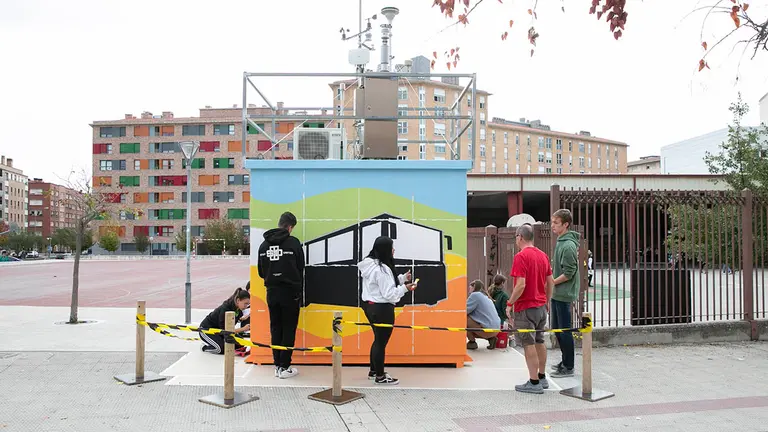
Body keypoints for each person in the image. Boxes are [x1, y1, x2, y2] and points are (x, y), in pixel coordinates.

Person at [358, 236, 417, 385]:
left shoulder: (371, 264)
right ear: (385, 250)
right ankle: (380, 376)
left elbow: (382, 285)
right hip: (382, 309)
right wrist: (405, 288)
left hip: (370, 306)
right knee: (381, 342)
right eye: (391, 248)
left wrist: (402, 278)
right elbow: (389, 293)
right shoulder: (381, 269)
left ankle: (374, 371)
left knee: (377, 340)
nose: (393, 250)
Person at [505, 223, 554, 394]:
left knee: (528, 343)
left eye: (516, 237)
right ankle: (542, 376)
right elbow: (550, 281)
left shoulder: (520, 257)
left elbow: (520, 285)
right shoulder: (543, 255)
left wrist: (510, 303)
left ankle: (533, 382)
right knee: (540, 341)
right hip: (541, 306)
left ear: (520, 237)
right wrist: (547, 300)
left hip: (525, 307)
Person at [257, 211, 305, 379]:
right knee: (289, 329)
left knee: (275, 327)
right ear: (290, 227)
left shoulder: (264, 245)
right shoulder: (293, 243)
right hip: (290, 293)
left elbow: (261, 272)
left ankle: (277, 364)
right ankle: (285, 366)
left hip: (271, 292)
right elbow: (301, 266)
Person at [550, 209, 580, 378]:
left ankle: (569, 366)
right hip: (557, 293)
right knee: (557, 329)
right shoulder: (561, 241)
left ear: (566, 224)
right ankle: (564, 361)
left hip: (564, 293)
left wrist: (552, 282)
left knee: (564, 330)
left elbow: (569, 273)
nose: (552, 225)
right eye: (552, 222)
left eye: (556, 223)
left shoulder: (568, 245)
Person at [199, 288, 251, 355]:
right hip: (207, 330)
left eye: (248, 304)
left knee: (241, 344)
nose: (246, 306)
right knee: (220, 349)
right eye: (245, 303)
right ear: (238, 300)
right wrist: (243, 329)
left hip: (220, 331)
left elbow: (230, 326)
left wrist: (241, 319)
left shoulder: (239, 310)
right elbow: (226, 331)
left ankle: (218, 341)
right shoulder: (226, 308)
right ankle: (204, 347)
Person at [466, 280, 500, 350]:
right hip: (496, 330)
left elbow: (465, 311)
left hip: (487, 331)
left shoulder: (475, 295)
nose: (469, 289)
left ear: (474, 286)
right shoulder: (486, 297)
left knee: (464, 319)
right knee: (472, 325)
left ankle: (472, 342)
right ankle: (491, 339)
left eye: (470, 287)